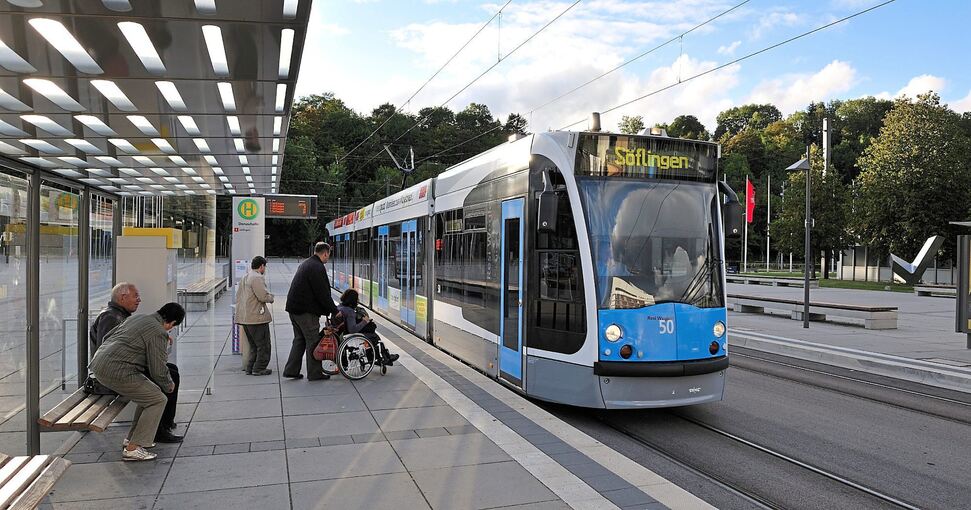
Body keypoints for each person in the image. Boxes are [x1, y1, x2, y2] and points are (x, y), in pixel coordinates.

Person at [89, 303, 186, 461]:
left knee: (149, 394)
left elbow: (108, 337)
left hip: (100, 364)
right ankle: (133, 448)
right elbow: (158, 368)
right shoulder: (158, 332)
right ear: (171, 323)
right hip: (116, 370)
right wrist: (169, 384)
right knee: (158, 399)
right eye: (171, 328)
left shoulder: (140, 318)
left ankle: (133, 438)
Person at [284, 242, 338, 381]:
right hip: (305, 312)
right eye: (328, 255)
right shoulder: (317, 267)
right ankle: (315, 373)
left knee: (299, 340)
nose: (328, 258)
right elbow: (323, 293)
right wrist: (334, 310)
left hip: (294, 309)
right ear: (325, 253)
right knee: (313, 341)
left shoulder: (306, 263)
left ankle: (291, 370)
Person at [336, 289, 399, 364]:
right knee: (374, 336)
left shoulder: (339, 307)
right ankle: (383, 357)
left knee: (369, 336)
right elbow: (352, 330)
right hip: (349, 337)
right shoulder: (350, 312)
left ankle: (376, 357)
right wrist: (364, 321)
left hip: (341, 334)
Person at [236, 256, 274, 376]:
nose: (265, 269)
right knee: (263, 345)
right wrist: (271, 297)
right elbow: (263, 296)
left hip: (246, 317)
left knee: (254, 345)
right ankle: (259, 368)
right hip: (256, 318)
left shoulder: (246, 276)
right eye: (265, 266)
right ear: (261, 266)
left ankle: (250, 367)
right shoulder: (257, 277)